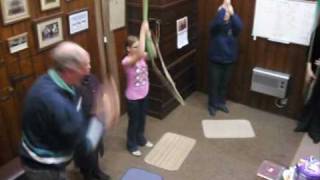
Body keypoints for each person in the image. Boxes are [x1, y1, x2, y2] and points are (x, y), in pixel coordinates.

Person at [20, 41, 106, 179]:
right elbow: (84, 146)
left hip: (38, 150)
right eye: (85, 65)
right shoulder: (57, 103)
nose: (89, 68)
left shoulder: (48, 80)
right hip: (44, 167)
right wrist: (101, 118)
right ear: (70, 70)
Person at [121, 21, 154, 156]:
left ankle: (140, 139)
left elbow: (153, 54)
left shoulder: (141, 57)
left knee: (142, 119)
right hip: (133, 98)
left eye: (138, 46)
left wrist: (148, 37)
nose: (138, 48)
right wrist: (142, 30)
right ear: (128, 49)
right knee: (133, 122)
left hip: (144, 93)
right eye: (135, 46)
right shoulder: (126, 61)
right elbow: (140, 53)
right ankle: (131, 144)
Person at [207, 0, 243, 116]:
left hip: (229, 60)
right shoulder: (215, 26)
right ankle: (212, 105)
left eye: (228, 11)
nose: (226, 13)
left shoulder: (233, 26)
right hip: (215, 60)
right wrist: (223, 9)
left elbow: (240, 26)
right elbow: (216, 23)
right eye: (224, 12)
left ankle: (221, 103)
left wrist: (232, 14)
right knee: (214, 84)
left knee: (224, 84)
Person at [74, 74, 110, 180]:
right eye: (86, 64)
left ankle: (96, 170)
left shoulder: (92, 78)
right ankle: (87, 175)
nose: (89, 66)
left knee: (96, 148)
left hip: (95, 121)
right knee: (86, 153)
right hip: (83, 124)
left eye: (89, 63)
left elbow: (100, 94)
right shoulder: (74, 85)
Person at [295, 25, 320, 143]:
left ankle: (316, 129)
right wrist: (309, 68)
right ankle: (305, 124)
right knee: (312, 98)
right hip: (316, 70)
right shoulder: (318, 29)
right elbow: (312, 49)